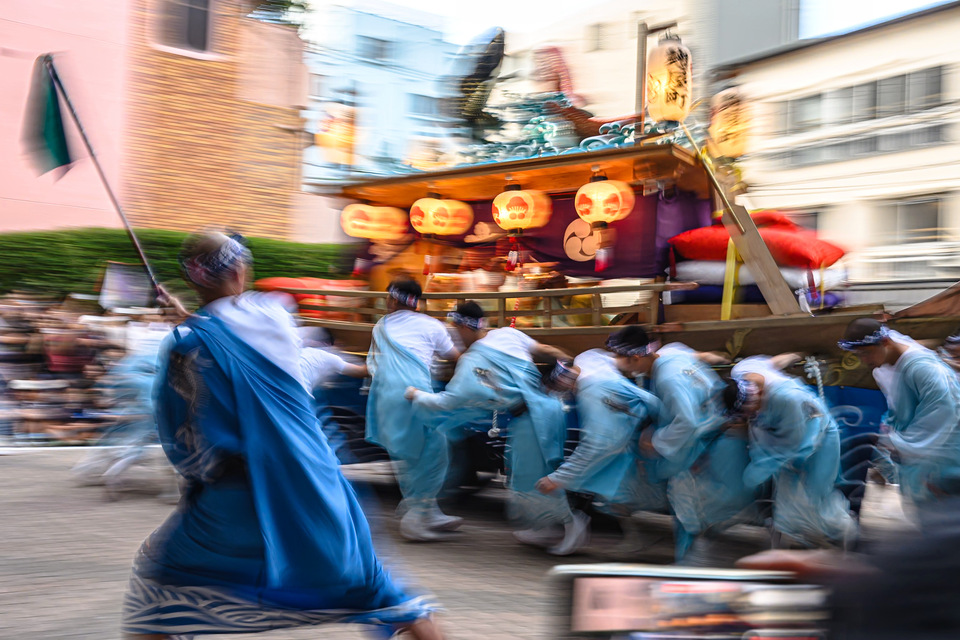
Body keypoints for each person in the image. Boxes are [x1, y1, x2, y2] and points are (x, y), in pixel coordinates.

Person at [122, 233, 444, 640]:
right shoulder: (274, 315)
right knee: (379, 590)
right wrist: (193, 319)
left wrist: (189, 324)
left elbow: (180, 428)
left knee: (158, 590)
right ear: (240, 271)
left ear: (193, 280)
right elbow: (232, 331)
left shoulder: (187, 345)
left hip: (235, 500)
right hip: (312, 491)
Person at [406, 301, 589, 556]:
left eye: (455, 329)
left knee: (537, 478)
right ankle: (542, 527)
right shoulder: (507, 333)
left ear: (462, 326)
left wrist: (417, 395)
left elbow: (449, 402)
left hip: (531, 419)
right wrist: (570, 369)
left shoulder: (472, 362)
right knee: (527, 475)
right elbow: (546, 350)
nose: (454, 335)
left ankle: (573, 523)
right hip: (550, 408)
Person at [596, 326, 754, 562]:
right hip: (715, 429)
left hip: (705, 437)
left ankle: (689, 560)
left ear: (636, 358)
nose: (618, 364)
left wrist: (656, 443)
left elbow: (687, 422)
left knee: (683, 497)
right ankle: (689, 552)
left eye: (620, 358)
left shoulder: (667, 377)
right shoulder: (673, 352)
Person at [535, 345, 668, 555]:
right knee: (613, 494)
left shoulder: (592, 392)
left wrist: (559, 478)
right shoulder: (588, 358)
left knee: (659, 494)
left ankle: (692, 549)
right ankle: (637, 539)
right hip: (639, 434)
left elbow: (599, 444)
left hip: (645, 441)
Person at [366, 278, 461, 542]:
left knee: (409, 454)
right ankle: (416, 517)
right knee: (436, 452)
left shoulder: (380, 326)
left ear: (395, 300)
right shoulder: (432, 325)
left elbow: (375, 365)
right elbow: (456, 357)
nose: (386, 302)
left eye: (388, 298)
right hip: (414, 394)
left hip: (385, 396)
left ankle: (428, 510)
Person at [727, 356, 856, 549]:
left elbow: (796, 443)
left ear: (760, 393)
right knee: (786, 497)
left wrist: (762, 466)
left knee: (816, 496)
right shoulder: (741, 371)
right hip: (780, 440)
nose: (749, 418)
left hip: (817, 438)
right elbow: (772, 363)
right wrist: (795, 355)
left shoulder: (789, 398)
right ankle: (787, 540)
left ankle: (845, 534)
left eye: (751, 410)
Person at [839, 318, 960, 506]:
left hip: (944, 451)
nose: (863, 361)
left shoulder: (923, 368)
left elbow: (944, 410)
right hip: (921, 454)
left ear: (885, 342)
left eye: (866, 353)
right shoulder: (882, 369)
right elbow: (900, 407)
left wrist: (904, 445)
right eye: (858, 355)